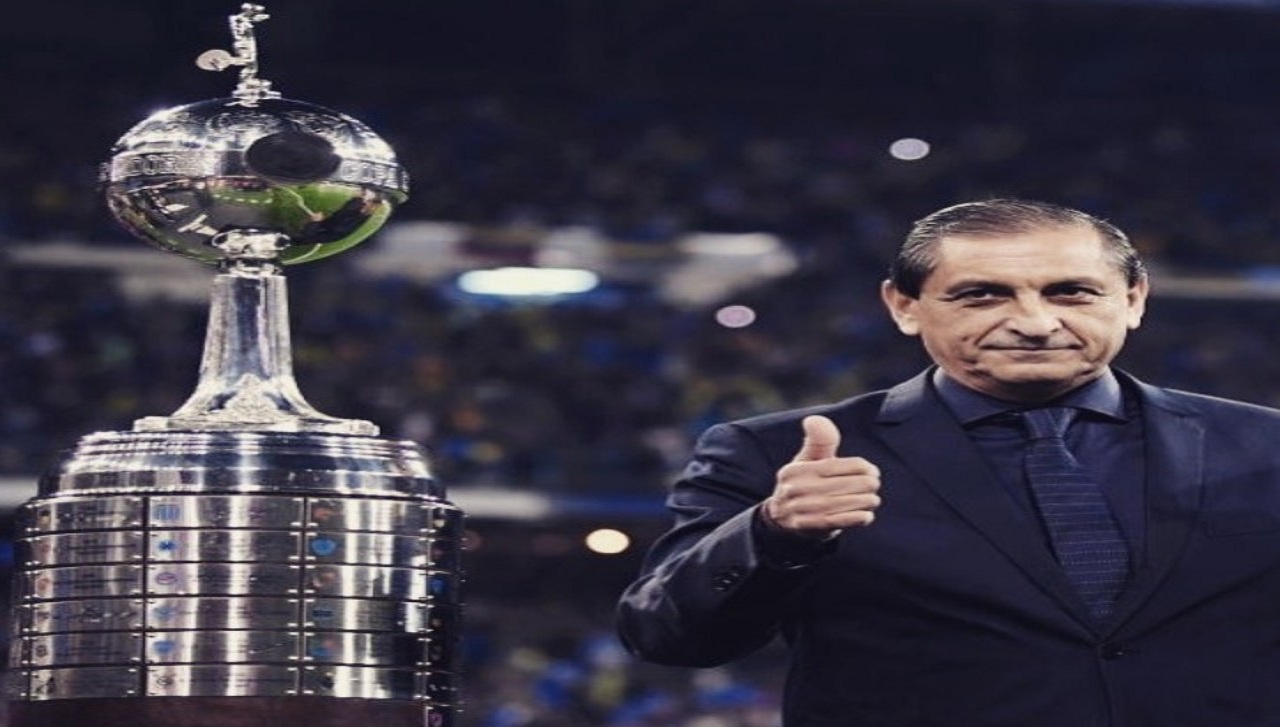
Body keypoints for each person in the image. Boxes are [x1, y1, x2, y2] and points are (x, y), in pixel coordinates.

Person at [616, 198, 1280, 726]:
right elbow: (667, 634)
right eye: (982, 295)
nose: (1035, 322)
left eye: (1071, 292)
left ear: (1132, 299)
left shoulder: (1265, 445)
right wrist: (773, 534)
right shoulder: (773, 452)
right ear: (904, 306)